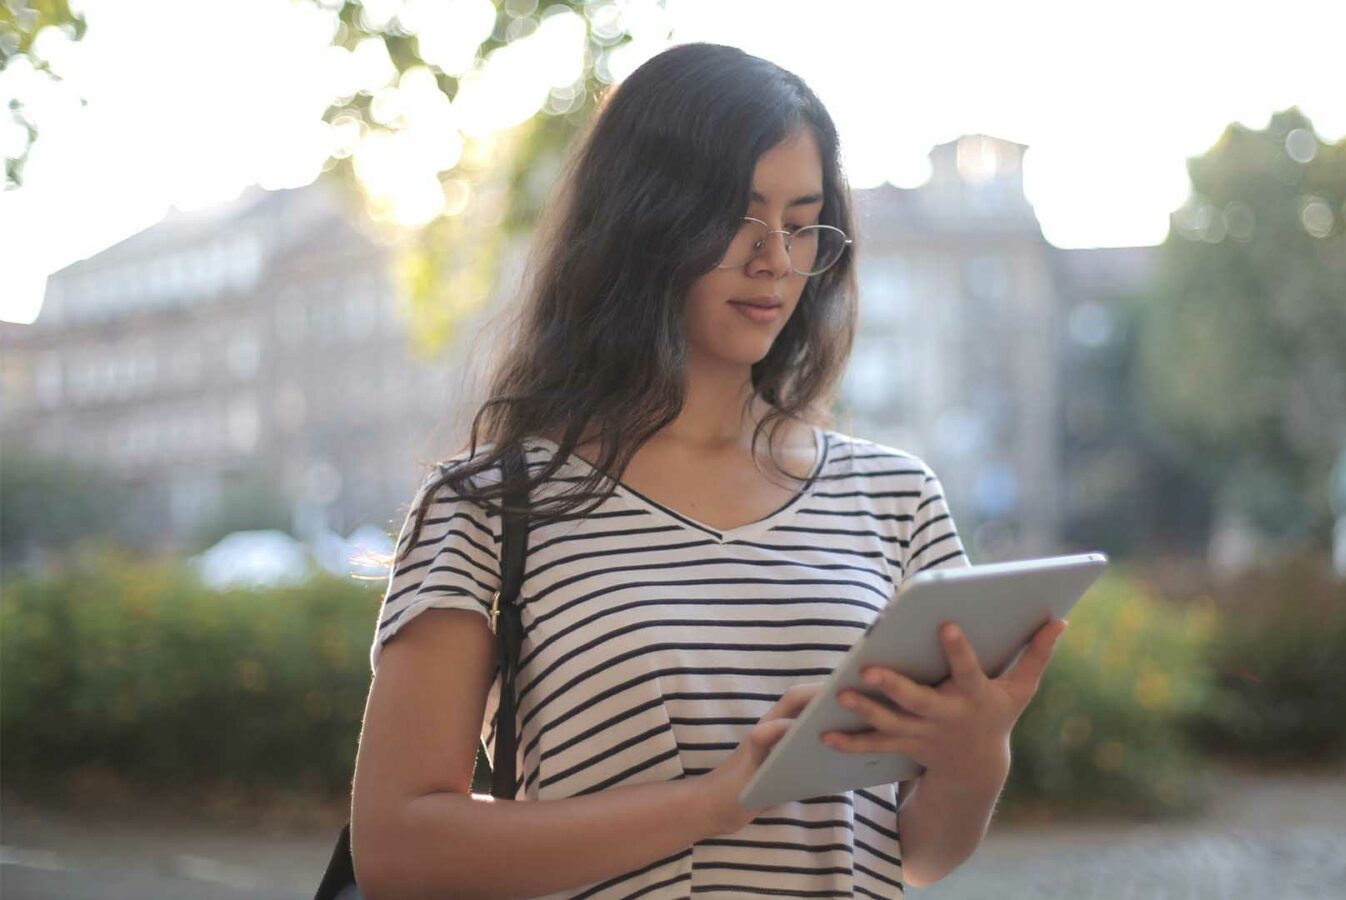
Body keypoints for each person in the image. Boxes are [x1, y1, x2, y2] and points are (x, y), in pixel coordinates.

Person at [350, 41, 1068, 899]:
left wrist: (977, 749)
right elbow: (396, 850)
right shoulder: (489, 506)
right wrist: (710, 805)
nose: (775, 260)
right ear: (642, 222)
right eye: (739, 217)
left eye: (802, 224)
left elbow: (919, 853)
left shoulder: (895, 498)